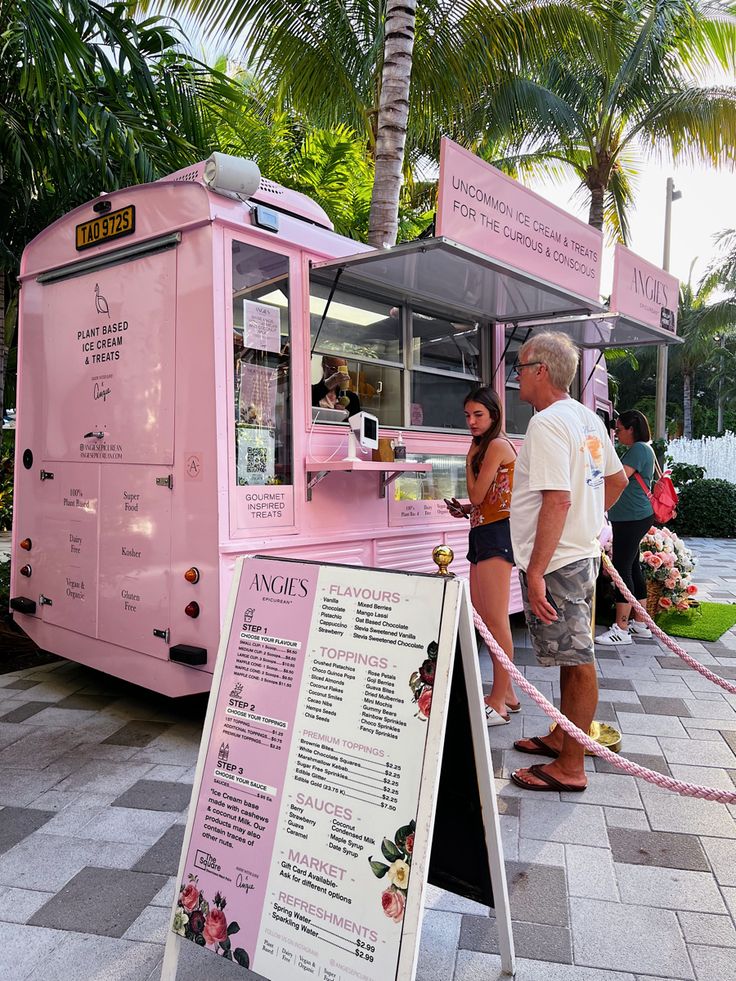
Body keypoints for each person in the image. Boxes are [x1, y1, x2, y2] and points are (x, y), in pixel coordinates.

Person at [508, 333, 627, 793]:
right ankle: (564, 735)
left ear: (542, 370)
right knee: (572, 654)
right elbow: (614, 482)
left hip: (558, 560)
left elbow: (557, 499)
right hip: (577, 553)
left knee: (578, 659)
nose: (516, 375)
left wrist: (536, 570)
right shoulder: (586, 418)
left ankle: (571, 765)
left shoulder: (547, 423)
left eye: (521, 366)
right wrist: (590, 522)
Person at [446, 386, 519, 725]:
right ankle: (509, 694)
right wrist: (465, 511)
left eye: (478, 415)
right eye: (467, 415)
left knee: (495, 619)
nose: (471, 422)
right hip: (484, 530)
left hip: (496, 535)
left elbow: (477, 494)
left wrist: (467, 462)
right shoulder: (484, 446)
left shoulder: (496, 445)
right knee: (486, 617)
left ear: (493, 415)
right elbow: (484, 501)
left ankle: (499, 701)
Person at [596, 409, 656, 645]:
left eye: (619, 430)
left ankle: (621, 629)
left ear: (632, 429)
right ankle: (641, 623)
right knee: (632, 566)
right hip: (633, 516)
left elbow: (619, 478)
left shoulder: (639, 449)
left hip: (632, 517)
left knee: (621, 568)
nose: (617, 434)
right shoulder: (642, 449)